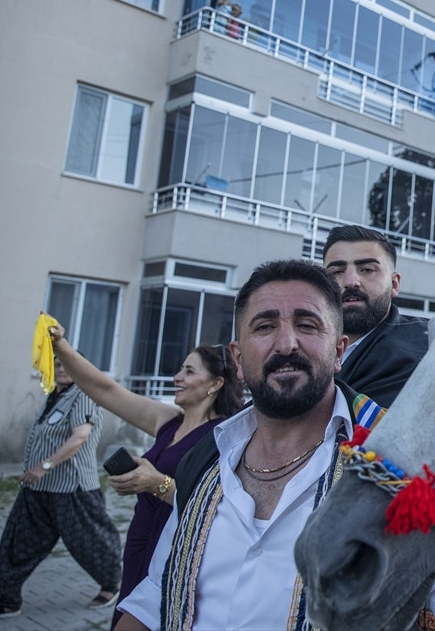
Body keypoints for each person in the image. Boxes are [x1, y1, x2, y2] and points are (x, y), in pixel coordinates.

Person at [115, 259, 359, 630]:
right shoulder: (203, 462)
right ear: (238, 358)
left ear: (339, 351)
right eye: (264, 327)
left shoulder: (382, 470)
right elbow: (156, 594)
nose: (287, 343)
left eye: (307, 325)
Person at [47, 324, 242, 624]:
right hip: (139, 540)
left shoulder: (224, 436)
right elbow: (105, 390)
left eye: (189, 372)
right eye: (180, 369)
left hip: (177, 549)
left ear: (214, 384)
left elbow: (219, 505)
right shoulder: (168, 420)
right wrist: (61, 346)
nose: (178, 377)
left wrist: (159, 484)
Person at [0, 358, 122, 619]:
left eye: (67, 364)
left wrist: (43, 466)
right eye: (57, 364)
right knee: (17, 542)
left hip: (72, 488)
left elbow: (80, 435)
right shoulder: (54, 396)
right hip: (39, 489)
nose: (61, 368)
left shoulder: (82, 393)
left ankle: (113, 584)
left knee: (90, 543)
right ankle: (6, 599)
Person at [322, 225, 428, 408]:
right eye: (337, 272)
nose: (350, 282)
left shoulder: (423, 348)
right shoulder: (299, 343)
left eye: (367, 269)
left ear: (394, 284)